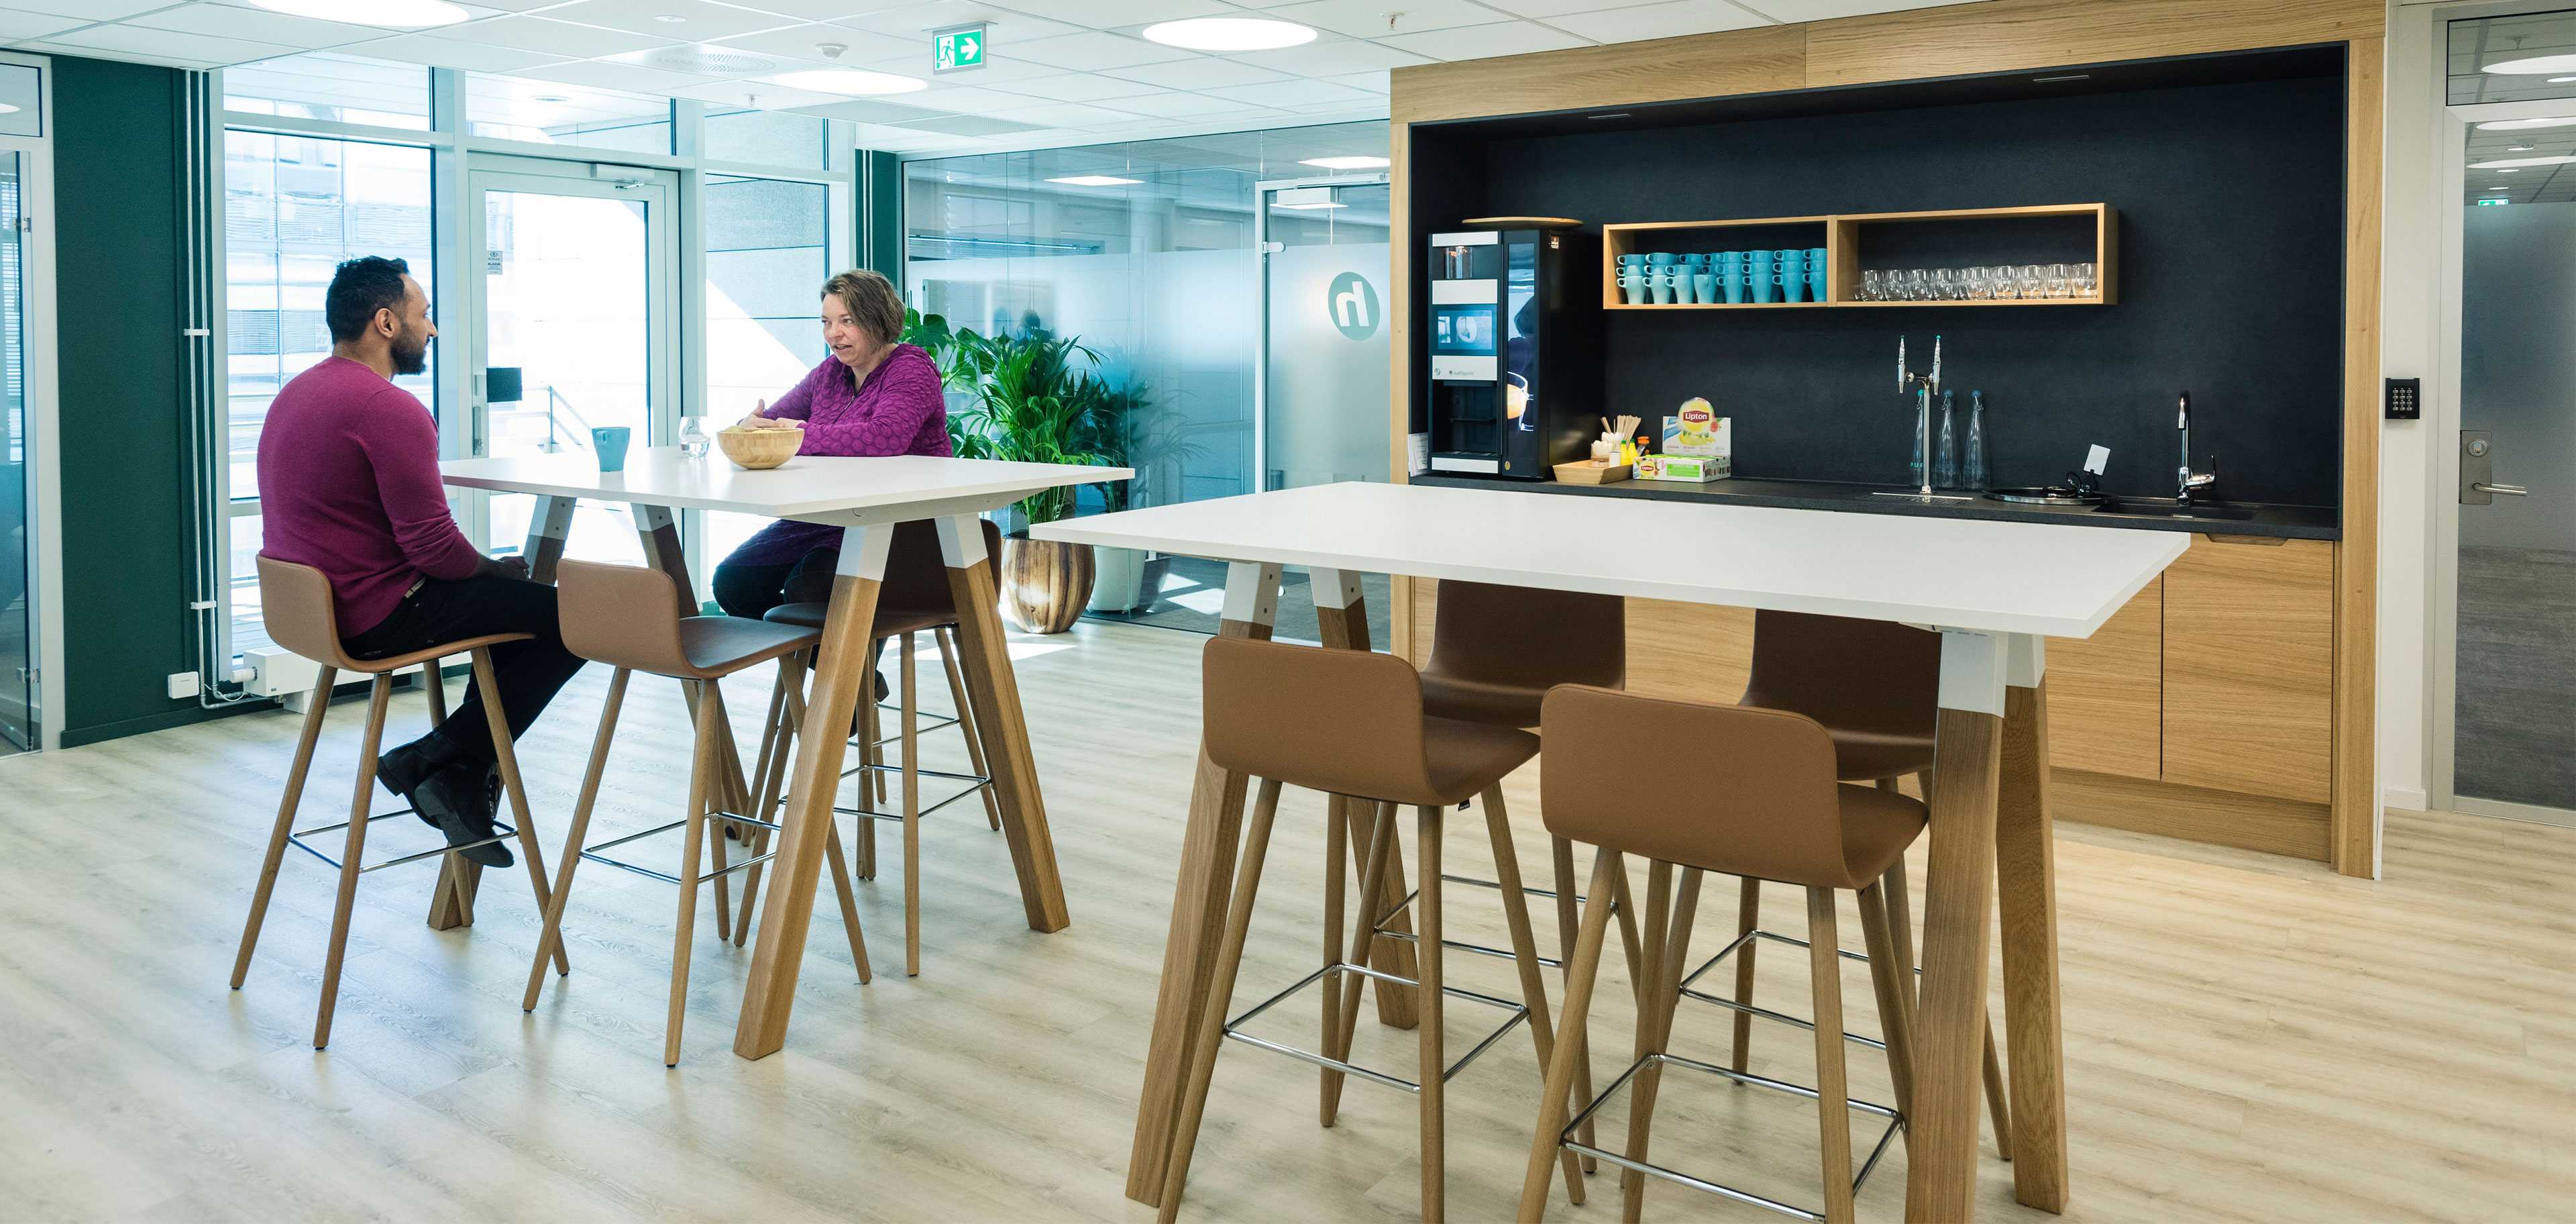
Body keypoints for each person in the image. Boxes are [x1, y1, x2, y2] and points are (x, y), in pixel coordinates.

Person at [256, 256, 584, 867]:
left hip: (317, 610)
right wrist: (493, 567)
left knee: (524, 620)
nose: (431, 329)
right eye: (423, 314)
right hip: (380, 614)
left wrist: (492, 577)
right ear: (385, 322)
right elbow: (433, 548)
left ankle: (457, 775)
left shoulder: (297, 393)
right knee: (574, 621)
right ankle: (429, 758)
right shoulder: (389, 408)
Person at [710, 268, 952, 619]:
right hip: (825, 517)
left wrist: (798, 434)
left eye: (847, 321)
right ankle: (830, 672)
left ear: (877, 320)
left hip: (895, 522)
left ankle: (851, 674)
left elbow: (885, 437)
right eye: (826, 322)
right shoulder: (828, 374)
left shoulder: (911, 369)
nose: (833, 334)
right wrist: (748, 426)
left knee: (809, 588)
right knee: (734, 581)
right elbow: (769, 425)